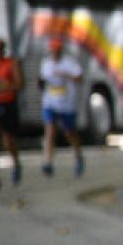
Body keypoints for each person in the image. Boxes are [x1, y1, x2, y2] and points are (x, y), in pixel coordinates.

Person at [39, 37, 83, 177]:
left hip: (66, 103)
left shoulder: (69, 63)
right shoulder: (46, 64)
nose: (55, 52)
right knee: (50, 131)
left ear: (61, 50)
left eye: (57, 50)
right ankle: (48, 161)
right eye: (53, 50)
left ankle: (78, 156)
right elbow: (42, 80)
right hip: (50, 102)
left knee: (69, 132)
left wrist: (66, 75)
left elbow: (80, 78)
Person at [0, 37, 23, 186]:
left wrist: (6, 87)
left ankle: (16, 163)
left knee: (8, 139)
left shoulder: (11, 64)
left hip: (7, 104)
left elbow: (20, 84)